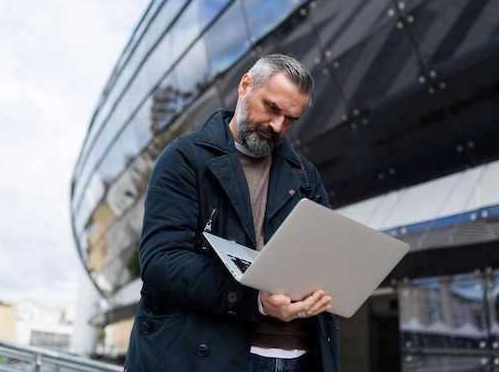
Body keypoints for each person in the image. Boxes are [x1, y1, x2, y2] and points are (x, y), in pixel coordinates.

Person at [124, 54, 340, 372]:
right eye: (272, 108)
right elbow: (161, 261)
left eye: (290, 119)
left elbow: (323, 256)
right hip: (210, 355)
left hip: (301, 357)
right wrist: (252, 299)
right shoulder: (185, 158)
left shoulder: (305, 174)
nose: (278, 125)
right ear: (245, 85)